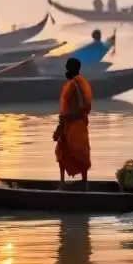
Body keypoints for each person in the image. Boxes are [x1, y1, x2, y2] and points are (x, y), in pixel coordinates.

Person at [53, 57, 92, 190]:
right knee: (64, 151)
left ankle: (75, 183)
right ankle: (71, 182)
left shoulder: (75, 84)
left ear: (73, 69)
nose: (66, 69)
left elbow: (81, 106)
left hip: (74, 123)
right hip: (71, 123)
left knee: (78, 152)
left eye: (68, 67)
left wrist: (67, 118)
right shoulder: (80, 83)